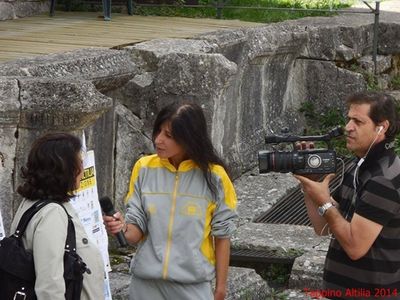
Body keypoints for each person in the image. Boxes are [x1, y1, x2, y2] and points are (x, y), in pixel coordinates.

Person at [103, 102, 238, 300]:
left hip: (192, 285)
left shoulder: (215, 177)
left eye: (169, 135)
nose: (158, 140)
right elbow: (135, 232)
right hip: (145, 285)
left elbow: (223, 236)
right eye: (158, 131)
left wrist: (220, 288)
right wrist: (121, 228)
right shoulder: (144, 168)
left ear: (190, 139)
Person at [295, 92, 400, 299]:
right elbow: (324, 227)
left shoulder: (384, 179)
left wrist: (324, 201)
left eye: (358, 121)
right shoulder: (359, 167)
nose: (348, 127)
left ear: (382, 127)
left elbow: (355, 247)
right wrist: (310, 184)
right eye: (349, 119)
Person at [10, 132, 105, 300]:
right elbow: (49, 287)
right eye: (79, 163)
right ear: (64, 169)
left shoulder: (31, 202)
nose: (83, 170)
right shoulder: (52, 214)